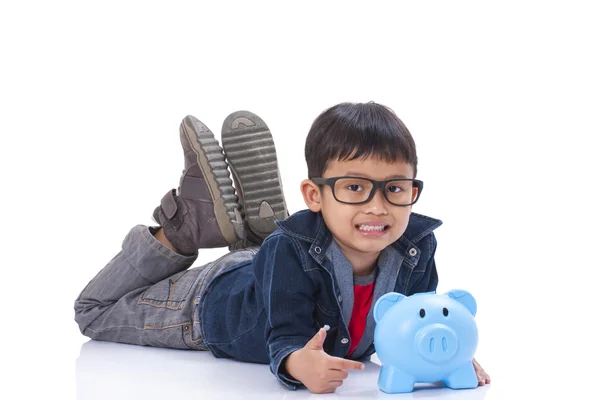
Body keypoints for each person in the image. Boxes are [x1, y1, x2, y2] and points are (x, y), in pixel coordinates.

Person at [74, 103, 490, 394]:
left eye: (396, 188)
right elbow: (285, 336)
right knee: (93, 310)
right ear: (314, 194)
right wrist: (296, 363)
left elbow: (420, 317)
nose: (378, 206)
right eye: (355, 188)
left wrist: (445, 355)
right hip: (205, 306)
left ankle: (259, 234)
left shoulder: (418, 244)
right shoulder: (290, 254)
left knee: (281, 249)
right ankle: (183, 228)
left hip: (268, 267)